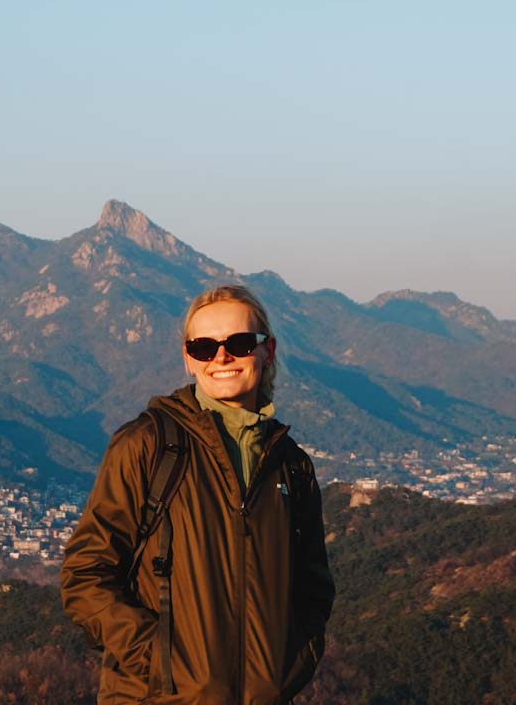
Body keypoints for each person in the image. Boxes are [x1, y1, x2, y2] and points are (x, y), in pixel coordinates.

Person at [61, 284, 335, 704]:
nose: (221, 357)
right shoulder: (148, 445)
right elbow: (86, 575)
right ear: (189, 359)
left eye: (239, 343)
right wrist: (161, 661)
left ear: (268, 351)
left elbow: (313, 588)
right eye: (204, 347)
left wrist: (291, 664)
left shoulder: (291, 465)